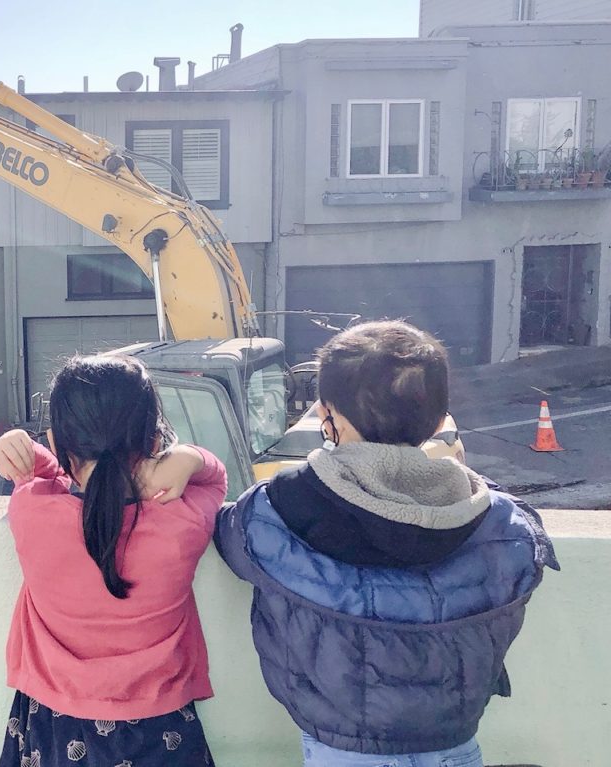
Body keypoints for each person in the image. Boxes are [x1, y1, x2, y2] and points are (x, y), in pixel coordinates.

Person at [215, 320, 559, 767]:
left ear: (326, 414)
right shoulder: (500, 517)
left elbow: (230, 537)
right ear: (438, 421)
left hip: (339, 750)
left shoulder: (278, 504)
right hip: (455, 747)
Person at [0, 354, 228, 767]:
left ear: (57, 443)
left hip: (56, 723)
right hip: (161, 726)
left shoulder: (33, 514)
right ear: (154, 444)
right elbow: (216, 477)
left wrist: (30, 449)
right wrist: (188, 457)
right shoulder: (184, 522)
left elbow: (42, 476)